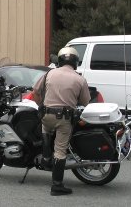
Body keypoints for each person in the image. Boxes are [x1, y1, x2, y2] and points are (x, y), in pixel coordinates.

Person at [32, 47, 91, 196]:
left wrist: (41, 105)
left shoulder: (49, 73)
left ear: (59, 60)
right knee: (60, 151)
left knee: (46, 129)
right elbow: (85, 102)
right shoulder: (79, 78)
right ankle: (57, 186)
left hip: (46, 115)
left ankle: (45, 157)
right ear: (75, 62)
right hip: (64, 118)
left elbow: (35, 92)